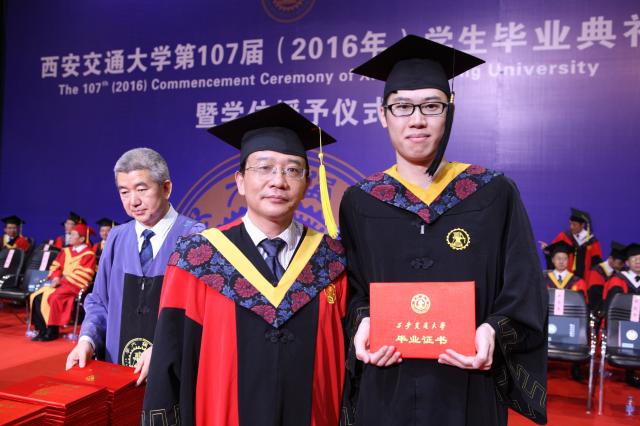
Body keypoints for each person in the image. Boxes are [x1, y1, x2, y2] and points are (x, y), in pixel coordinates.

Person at [339, 35, 547, 425]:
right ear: (383, 115)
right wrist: (362, 321)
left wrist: (492, 331)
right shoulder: (360, 202)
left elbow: (524, 287)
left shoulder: (492, 193)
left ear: (450, 111)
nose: (417, 120)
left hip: (469, 385)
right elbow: (352, 289)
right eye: (402, 106)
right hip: (386, 383)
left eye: (432, 106)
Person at [142, 104, 348, 425]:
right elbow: (170, 361)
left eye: (293, 170)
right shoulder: (198, 259)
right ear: (240, 182)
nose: (278, 181)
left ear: (307, 184)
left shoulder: (331, 262)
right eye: (264, 168)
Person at [65, 148, 203, 386]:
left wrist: (165, 347)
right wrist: (87, 339)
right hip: (116, 370)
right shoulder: (117, 238)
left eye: (142, 189)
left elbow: (201, 314)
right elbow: (99, 301)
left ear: (166, 188)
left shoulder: (195, 238)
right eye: (124, 192)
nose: (133, 201)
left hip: (173, 374)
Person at [29, 222, 96, 341]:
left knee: (53, 297)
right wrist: (55, 277)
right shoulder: (66, 251)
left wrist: (61, 281)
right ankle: (42, 329)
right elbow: (56, 267)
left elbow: (83, 276)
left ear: (81, 239)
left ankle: (52, 331)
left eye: (73, 234)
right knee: (36, 296)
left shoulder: (89, 254)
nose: (69, 236)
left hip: (74, 286)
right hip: (60, 284)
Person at [602, 243, 640, 388]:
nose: (638, 261)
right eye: (634, 258)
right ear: (627, 263)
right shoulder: (617, 280)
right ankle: (629, 370)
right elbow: (611, 310)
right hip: (620, 328)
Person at [543, 208, 602, 281]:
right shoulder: (564, 236)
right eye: (570, 223)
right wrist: (547, 251)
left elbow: (596, 263)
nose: (571, 227)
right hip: (565, 279)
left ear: (582, 225)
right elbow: (554, 255)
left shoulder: (591, 241)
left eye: (574, 224)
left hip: (584, 280)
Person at [588, 241, 626, 314]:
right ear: (611, 259)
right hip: (599, 310)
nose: (622, 266)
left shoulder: (620, 271)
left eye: (623, 264)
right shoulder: (596, 272)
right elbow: (595, 297)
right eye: (620, 263)